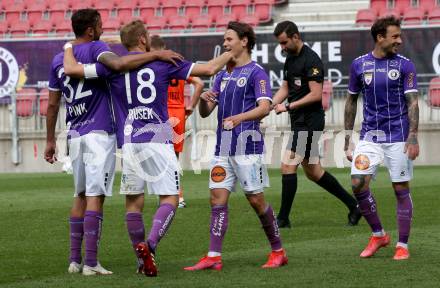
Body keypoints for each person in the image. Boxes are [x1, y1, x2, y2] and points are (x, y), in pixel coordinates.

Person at [63, 20, 234, 276]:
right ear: (143, 39)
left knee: (133, 203)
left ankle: (142, 261)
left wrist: (69, 47)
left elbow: (73, 70)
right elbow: (209, 69)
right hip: (158, 139)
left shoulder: (111, 67)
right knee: (170, 198)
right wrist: (234, 52)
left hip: (129, 142)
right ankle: (150, 245)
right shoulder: (163, 62)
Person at [44, 9, 182, 276]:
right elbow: (119, 65)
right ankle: (91, 263)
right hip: (99, 132)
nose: (103, 29)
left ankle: (74, 260)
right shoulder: (98, 49)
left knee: (79, 195)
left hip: (74, 132)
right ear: (91, 29)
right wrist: (156, 53)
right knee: (96, 196)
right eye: (100, 25)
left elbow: (51, 105)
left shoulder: (60, 59)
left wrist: (50, 139)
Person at [184, 21, 288, 271]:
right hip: (223, 148)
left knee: (256, 201)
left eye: (229, 39)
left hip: (247, 148)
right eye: (224, 39)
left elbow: (265, 108)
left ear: (244, 41)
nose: (225, 43)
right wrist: (203, 100)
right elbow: (207, 112)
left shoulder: (256, 73)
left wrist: (239, 118)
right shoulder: (222, 74)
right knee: (216, 199)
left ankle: (278, 251)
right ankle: (213, 256)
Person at [271, 20, 361, 228]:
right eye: (280, 44)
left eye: (284, 43)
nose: (282, 48)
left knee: (288, 164)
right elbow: (285, 87)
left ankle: (283, 219)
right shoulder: (291, 59)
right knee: (314, 172)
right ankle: (353, 206)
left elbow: (316, 94)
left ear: (295, 37)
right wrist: (270, 104)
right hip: (299, 121)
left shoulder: (311, 60)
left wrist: (288, 106)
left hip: (310, 122)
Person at [344, 16, 419, 260]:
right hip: (369, 136)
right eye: (395, 36)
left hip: (398, 136)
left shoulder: (405, 65)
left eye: (400, 35)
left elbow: (413, 102)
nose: (400, 40)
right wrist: (347, 138)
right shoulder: (358, 65)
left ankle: (402, 245)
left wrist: (413, 137)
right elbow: (351, 101)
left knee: (400, 188)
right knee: (357, 183)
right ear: (380, 37)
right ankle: (378, 235)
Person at [150, 35, 205, 208]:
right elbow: (199, 83)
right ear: (164, 47)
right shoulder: (175, 64)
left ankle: (166, 195)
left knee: (158, 157)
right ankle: (178, 197)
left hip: (160, 113)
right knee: (174, 158)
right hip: (178, 113)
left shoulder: (151, 65)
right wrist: (191, 106)